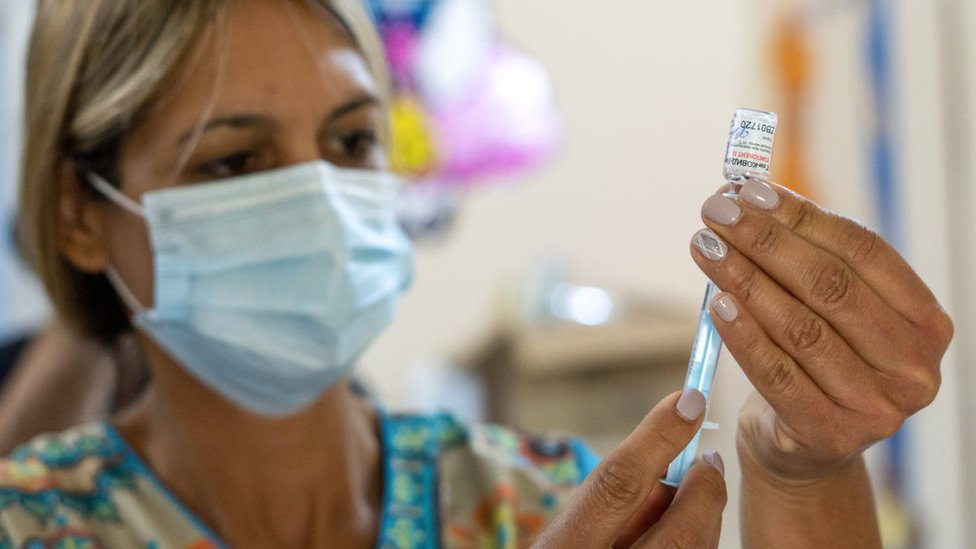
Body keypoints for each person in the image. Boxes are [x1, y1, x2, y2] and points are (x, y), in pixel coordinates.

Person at [2, 0, 951, 547]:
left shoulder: (539, 500)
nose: (324, 201)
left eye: (351, 140)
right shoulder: (29, 524)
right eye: (234, 161)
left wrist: (806, 471)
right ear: (82, 215)